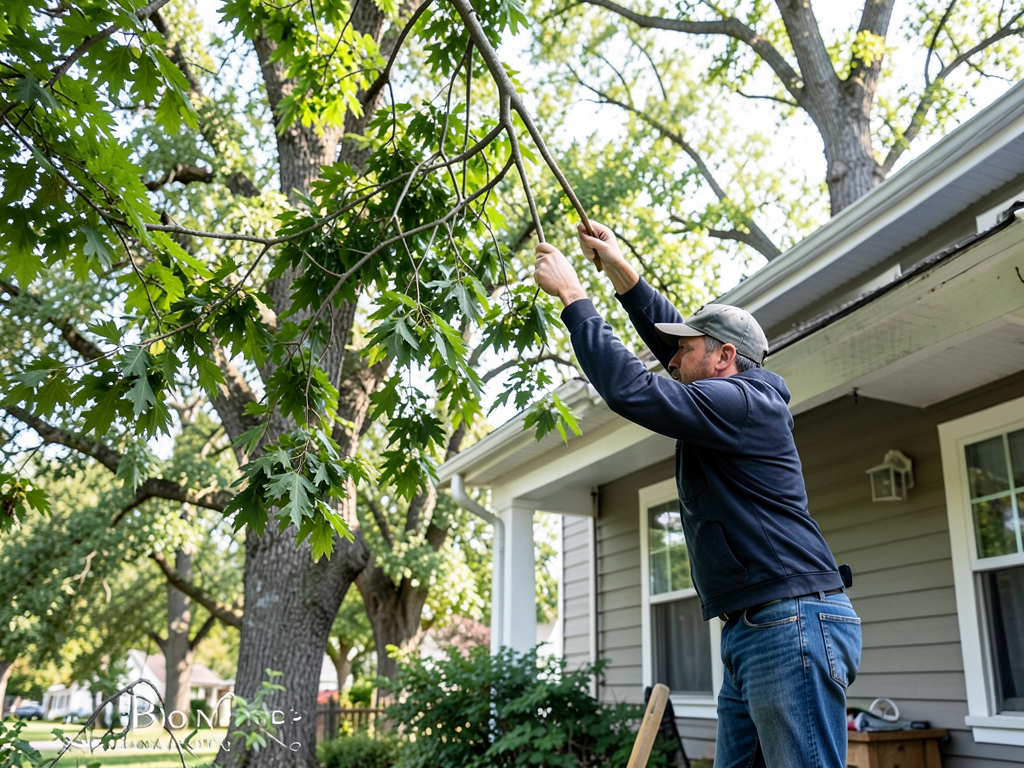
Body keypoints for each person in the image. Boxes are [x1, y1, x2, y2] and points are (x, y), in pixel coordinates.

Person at [533, 222, 861, 768]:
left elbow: (631, 389)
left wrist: (574, 297)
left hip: (791, 625)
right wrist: (621, 271)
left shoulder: (742, 404)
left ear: (724, 357)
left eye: (684, 351)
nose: (670, 360)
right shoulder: (728, 398)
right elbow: (672, 347)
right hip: (755, 629)